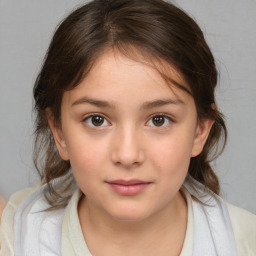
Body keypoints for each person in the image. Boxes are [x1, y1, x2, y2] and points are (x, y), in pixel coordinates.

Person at [0, 0, 255, 255]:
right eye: (97, 120)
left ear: (200, 131)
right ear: (59, 132)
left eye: (159, 120)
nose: (127, 155)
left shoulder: (245, 243)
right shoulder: (13, 237)